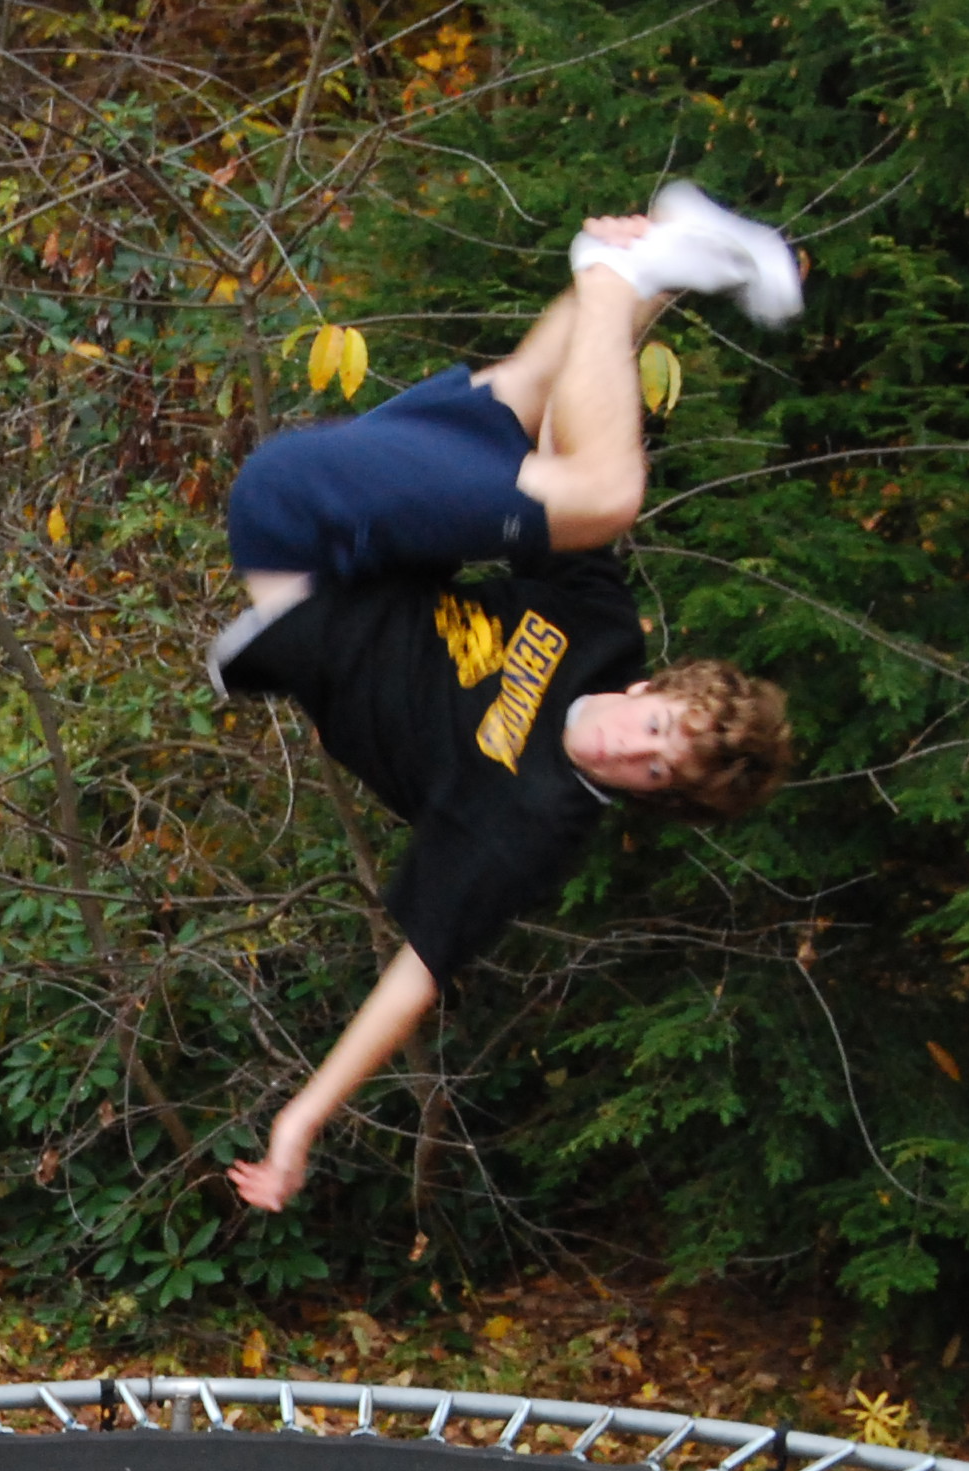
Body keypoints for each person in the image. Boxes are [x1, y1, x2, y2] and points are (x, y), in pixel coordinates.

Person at [212, 185, 801, 1213]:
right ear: (650, 688)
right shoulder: (601, 638)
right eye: (654, 723)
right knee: (565, 444)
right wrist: (626, 305)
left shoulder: (528, 824)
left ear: (655, 792)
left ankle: (621, 267)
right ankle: (626, 267)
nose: (632, 745)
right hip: (368, 519)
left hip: (303, 540)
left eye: (657, 767)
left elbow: (418, 973)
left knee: (594, 484)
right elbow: (581, 415)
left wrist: (302, 1118)